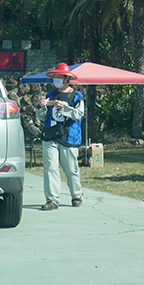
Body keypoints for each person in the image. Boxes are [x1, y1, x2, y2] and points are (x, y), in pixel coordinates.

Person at [36, 63, 85, 211]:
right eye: (54, 77)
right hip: (51, 135)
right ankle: (52, 200)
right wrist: (41, 106)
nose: (56, 79)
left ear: (66, 78)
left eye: (59, 77)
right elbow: (43, 117)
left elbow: (78, 114)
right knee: (50, 168)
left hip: (69, 137)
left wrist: (62, 107)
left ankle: (76, 195)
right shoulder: (50, 95)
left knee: (71, 169)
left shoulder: (76, 96)